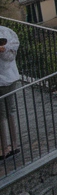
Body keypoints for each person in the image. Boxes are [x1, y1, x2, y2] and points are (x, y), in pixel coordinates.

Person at [0, 33, 20, 161]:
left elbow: (10, 56)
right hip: (8, 78)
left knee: (7, 112)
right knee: (4, 113)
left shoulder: (6, 33)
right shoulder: (7, 31)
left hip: (8, 78)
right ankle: (7, 146)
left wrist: (4, 49)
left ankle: (10, 146)